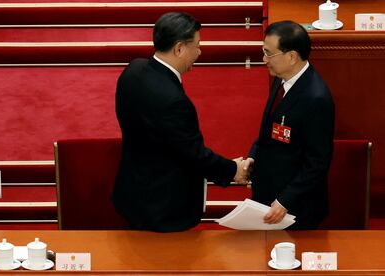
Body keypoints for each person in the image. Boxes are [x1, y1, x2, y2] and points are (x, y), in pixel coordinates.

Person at [113, 12, 247, 232]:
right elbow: (194, 154)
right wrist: (234, 169)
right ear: (179, 49)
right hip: (163, 207)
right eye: (197, 45)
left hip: (132, 192)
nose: (199, 52)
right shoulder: (173, 102)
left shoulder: (133, 70)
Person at [245, 21, 335, 230]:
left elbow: (317, 162)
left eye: (269, 54)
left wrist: (286, 200)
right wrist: (253, 155)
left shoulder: (316, 99)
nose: (264, 59)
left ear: (292, 56)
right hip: (269, 195)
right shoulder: (281, 78)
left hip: (295, 209)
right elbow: (270, 127)